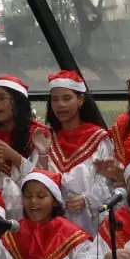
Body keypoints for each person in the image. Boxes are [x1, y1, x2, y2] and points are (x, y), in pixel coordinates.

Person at [42, 70, 112, 235]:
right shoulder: (48, 140)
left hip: (92, 223)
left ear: (80, 100)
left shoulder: (98, 139)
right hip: (55, 224)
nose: (60, 105)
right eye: (55, 99)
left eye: (67, 98)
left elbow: (109, 181)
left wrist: (87, 199)